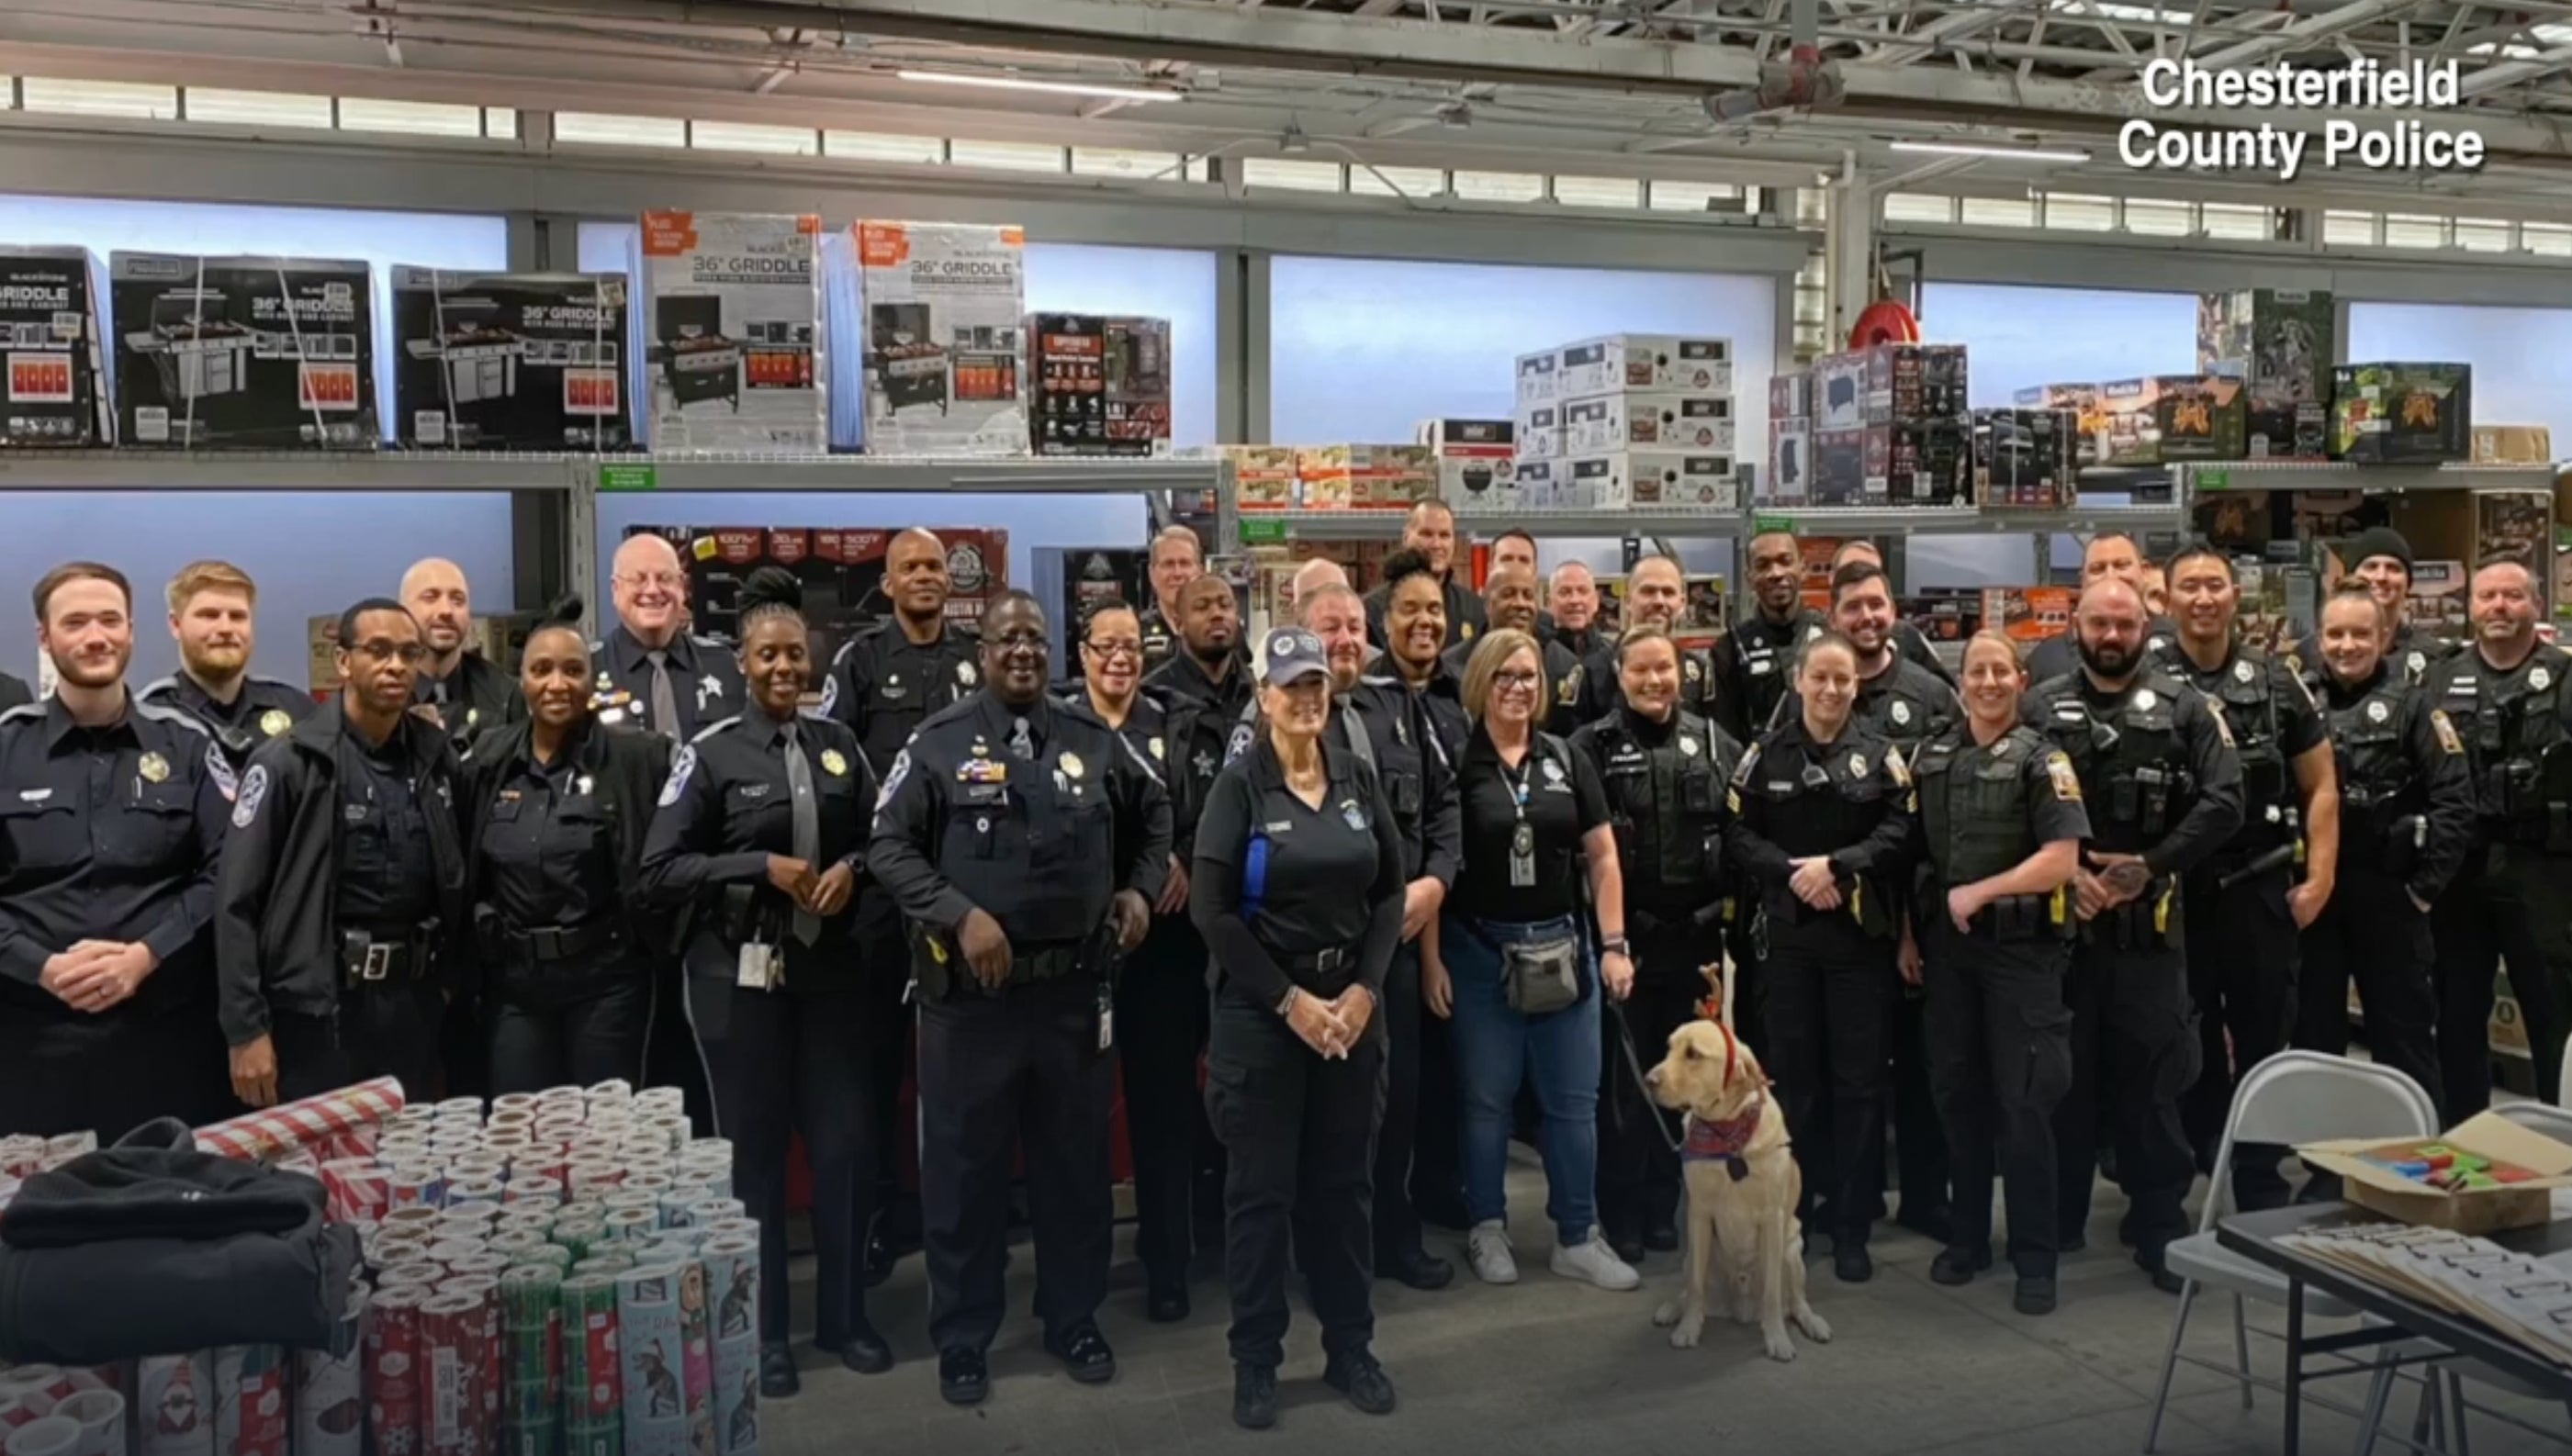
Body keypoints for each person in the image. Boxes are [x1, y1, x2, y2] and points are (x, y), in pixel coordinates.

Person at [869, 590, 1170, 1408]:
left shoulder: (1090, 739)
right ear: (983, 648)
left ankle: (1073, 1317)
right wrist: (958, 914)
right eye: (1009, 640)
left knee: (1074, 1171)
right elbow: (886, 847)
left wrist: (1140, 893)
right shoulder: (938, 744)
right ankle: (963, 1336)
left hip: (1075, 997)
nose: (1024, 653)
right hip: (971, 1008)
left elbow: (1156, 815)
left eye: (1036, 640)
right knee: (964, 1176)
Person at [641, 567, 882, 1394]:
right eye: (768, 657)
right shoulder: (707, 756)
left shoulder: (841, 747)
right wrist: (759, 865)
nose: (785, 669)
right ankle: (765, 1330)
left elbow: (887, 842)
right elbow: (660, 867)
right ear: (742, 664)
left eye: (796, 656)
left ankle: (846, 1319)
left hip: (830, 977)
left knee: (845, 1151)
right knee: (756, 1162)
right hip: (738, 984)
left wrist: (851, 867)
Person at [1193, 626, 1408, 1430]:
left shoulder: (1355, 776)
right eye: (1291, 686)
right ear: (1263, 696)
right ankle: (1256, 1361)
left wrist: (1362, 992)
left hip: (1349, 1014)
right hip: (1263, 1016)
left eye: (1316, 684)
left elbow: (1389, 894)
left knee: (1344, 1189)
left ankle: (1351, 1347)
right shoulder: (1238, 788)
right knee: (1260, 1197)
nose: (1308, 698)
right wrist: (1290, 1004)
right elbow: (1213, 916)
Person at [2022, 577, 2241, 1292]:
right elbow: (2006, 802)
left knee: (2153, 1087)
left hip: (2149, 934)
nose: (2110, 637)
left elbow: (2225, 801)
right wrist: (2069, 869)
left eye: (2123, 624)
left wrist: (2149, 866)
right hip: (2061, 931)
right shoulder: (2039, 707)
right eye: (2097, 624)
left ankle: (2157, 1228)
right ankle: (2053, 1227)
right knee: (2062, 1085)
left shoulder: (2187, 708)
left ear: (2145, 626)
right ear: (2074, 626)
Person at [1430, 627, 1638, 1293]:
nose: (1518, 688)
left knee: (1573, 1103)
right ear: (1480, 684)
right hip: (1478, 951)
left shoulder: (1566, 758)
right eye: (1504, 677)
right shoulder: (1456, 764)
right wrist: (1432, 961)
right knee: (1486, 1100)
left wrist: (1613, 945)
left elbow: (1602, 856)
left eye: (1528, 677)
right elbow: (1435, 866)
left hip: (1563, 950)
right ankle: (1486, 1228)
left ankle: (1577, 1234)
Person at [0, 562, 232, 1137]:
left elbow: (229, 872)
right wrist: (43, 967)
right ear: (44, 637)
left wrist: (146, 955)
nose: (95, 636)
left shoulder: (187, 744)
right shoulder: (5, 747)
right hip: (31, 1042)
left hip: (169, 1040)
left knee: (176, 1210)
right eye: (75, 622)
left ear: (131, 630)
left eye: (109, 620)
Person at [218, 596, 468, 1109]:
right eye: (378, 650)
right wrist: (245, 1029)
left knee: (408, 1168)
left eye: (408, 653)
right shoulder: (290, 762)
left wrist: (449, 982)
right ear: (344, 661)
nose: (396, 665)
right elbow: (236, 903)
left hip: (412, 1005)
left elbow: (458, 872)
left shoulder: (435, 757)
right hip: (318, 1013)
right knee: (321, 1172)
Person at [1728, 631, 1917, 1283]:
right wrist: (1789, 872)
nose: (1832, 690)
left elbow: (1902, 830)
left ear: (1855, 686)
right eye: (1820, 679)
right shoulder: (1764, 755)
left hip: (1857, 943)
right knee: (1795, 1085)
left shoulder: (1879, 755)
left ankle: (1852, 1224)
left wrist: (1838, 865)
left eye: (1843, 680)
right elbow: (1736, 830)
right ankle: (1795, 1212)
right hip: (1787, 944)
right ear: (1799, 682)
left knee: (1859, 1087)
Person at [1909, 632, 2086, 1316]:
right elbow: (1916, 855)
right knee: (1958, 1098)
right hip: (1949, 954)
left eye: (1998, 671)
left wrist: (1978, 894)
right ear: (1960, 685)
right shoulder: (1935, 756)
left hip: (2021, 959)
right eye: (1974, 671)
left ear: (2019, 681)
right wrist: (1909, 934)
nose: (1985, 682)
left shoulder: (2044, 760)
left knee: (2024, 1106)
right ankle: (1967, 1238)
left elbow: (2061, 859)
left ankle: (2033, 1258)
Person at [2155, 545, 2336, 1212]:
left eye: (2214, 586)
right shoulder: (2150, 682)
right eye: (2188, 588)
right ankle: (2177, 1185)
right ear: (2165, 599)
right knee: (2180, 1042)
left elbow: (2320, 786)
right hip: (2175, 894)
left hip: (2258, 889)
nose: (2202, 599)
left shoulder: (2275, 681)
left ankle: (2259, 1178)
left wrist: (2318, 879)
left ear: (2235, 596)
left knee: (2263, 1038)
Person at [821, 525, 981, 1282]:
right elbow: (832, 772)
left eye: (935, 566)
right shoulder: (859, 661)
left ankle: (970, 1210)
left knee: (968, 1070)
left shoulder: (978, 662)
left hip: (963, 897)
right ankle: (880, 1217)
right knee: (876, 1070)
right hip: (882, 900)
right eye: (909, 567)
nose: (924, 576)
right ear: (886, 584)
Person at [1298, 582, 1461, 1292]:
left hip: (1389, 947)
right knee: (1317, 1119)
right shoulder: (1282, 718)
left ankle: (1393, 1237)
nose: (1342, 640)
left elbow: (1441, 808)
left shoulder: (1397, 712)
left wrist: (1436, 881)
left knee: (1393, 1105)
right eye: (1327, 627)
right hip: (1308, 957)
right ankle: (1322, 1258)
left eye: (1352, 627)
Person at [1569, 626, 1740, 1266]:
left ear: (1681, 674)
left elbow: (1738, 833)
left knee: (1690, 1082)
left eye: (1663, 670)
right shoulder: (1589, 748)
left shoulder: (1714, 744)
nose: (1653, 681)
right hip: (1626, 945)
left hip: (1696, 939)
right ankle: (1623, 1212)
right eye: (1639, 671)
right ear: (1618, 676)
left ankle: (1667, 1201)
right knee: (1626, 1088)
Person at [1064, 601, 1212, 1323]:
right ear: (1082, 652)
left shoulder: (1176, 723)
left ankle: (1167, 1262)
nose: (1119, 658)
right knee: (1080, 1117)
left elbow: (1211, 805)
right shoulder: (1055, 724)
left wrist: (1179, 857)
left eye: (1131, 646)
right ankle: (1080, 1269)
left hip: (1165, 950)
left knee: (1164, 1114)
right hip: (1079, 954)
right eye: (1105, 646)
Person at [461, 598, 672, 1096]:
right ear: (522, 680)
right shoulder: (488, 760)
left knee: (604, 1132)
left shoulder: (638, 759)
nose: (557, 684)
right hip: (515, 983)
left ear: (591, 680)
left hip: (606, 979)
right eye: (542, 670)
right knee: (520, 1125)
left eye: (573, 670)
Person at [2297, 585, 2471, 1120]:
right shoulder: (2300, 704)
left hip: (2391, 898)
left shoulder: (2416, 706)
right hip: (2318, 899)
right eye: (2336, 634)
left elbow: (2455, 803)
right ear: (2319, 638)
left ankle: (2421, 1164)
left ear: (2384, 637)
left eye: (2360, 634)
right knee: (2315, 1042)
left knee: (2404, 1042)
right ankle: (2323, 1168)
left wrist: (2423, 893)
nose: (2347, 645)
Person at [1828, 558, 1960, 1245]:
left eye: (1876, 605)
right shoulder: (1820, 690)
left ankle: (1924, 1195)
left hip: (1921, 907)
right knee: (1850, 1067)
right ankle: (1850, 1201)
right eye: (1853, 608)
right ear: (1834, 617)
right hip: (1843, 910)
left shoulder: (1932, 695)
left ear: (1892, 609)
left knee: (1922, 1059)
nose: (1867, 619)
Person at [2423, 558, 2572, 1114]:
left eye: (2513, 596)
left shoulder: (2564, 674)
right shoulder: (2440, 677)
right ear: (2471, 607)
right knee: (2456, 1010)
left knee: (2552, 1010)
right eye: (2488, 597)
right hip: (2463, 870)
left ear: (2536, 604)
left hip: (2545, 871)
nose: (2500, 607)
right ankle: (2465, 1132)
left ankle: (2563, 1138)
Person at [1368, 548, 1469, 1233]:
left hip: (1465, 915)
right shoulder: (1366, 702)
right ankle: (1390, 1218)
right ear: (1385, 620)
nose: (1424, 621)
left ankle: (1440, 1191)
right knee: (1394, 1086)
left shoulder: (1465, 695)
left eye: (1434, 609)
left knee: (1452, 1078)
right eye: (1410, 609)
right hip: (1399, 925)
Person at [136, 560, 313, 772]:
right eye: (209, 615)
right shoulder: (144, 720)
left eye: (237, 616)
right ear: (176, 625)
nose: (226, 628)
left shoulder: (299, 712)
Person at [595, 533, 744, 742]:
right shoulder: (586, 668)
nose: (653, 590)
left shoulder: (722, 664)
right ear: (616, 589)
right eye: (639, 579)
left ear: (682, 586)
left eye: (664, 578)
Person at [1711, 531, 1828, 746]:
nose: (1776, 573)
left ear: (1803, 569)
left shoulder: (1832, 638)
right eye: (1762, 565)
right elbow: (1727, 736)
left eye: (1785, 561)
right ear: (1749, 578)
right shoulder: (1729, 649)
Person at [1574, 556, 1713, 724]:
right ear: (1627, 600)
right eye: (1648, 591)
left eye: (1668, 592)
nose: (1659, 601)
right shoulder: (1591, 672)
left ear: (1682, 603)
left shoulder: (1699, 673)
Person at [1447, 565, 1581, 736]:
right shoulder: (1452, 666)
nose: (1520, 604)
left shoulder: (1566, 665)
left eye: (1528, 595)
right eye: (1508, 594)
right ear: (1487, 603)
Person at [2025, 534, 2180, 682]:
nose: (2110, 575)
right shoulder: (2047, 658)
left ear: (2144, 571)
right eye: (2097, 568)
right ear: (2082, 579)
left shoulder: (2179, 642)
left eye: (2121, 565)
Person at [401, 557, 517, 751]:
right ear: (403, 611)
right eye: (430, 597)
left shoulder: (505, 694)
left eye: (458, 600)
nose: (446, 610)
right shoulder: (379, 697)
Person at [2315, 527, 2450, 685]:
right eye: (2371, 566)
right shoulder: (2312, 655)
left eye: (2393, 568)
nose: (2381, 577)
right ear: (2351, 576)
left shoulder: (2435, 659)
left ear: (2409, 583)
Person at [1829, 540, 1957, 689]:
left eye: (1871, 570)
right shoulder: (1812, 638)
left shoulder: (1907, 636)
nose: (1861, 578)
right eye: (1850, 570)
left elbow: (1945, 691)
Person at [1363, 500, 1484, 653]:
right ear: (1406, 538)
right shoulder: (1370, 611)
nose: (1436, 544)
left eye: (1444, 535)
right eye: (1426, 534)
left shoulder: (1476, 610)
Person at [1145, 572, 1251, 720]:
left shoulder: (1260, 691)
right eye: (1202, 607)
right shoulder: (1155, 695)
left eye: (1225, 605)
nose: (1217, 614)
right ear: (1178, 623)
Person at [1138, 524, 1205, 670]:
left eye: (1185, 563)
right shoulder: (1134, 632)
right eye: (1168, 564)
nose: (1177, 573)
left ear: (1199, 571)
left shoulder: (1220, 628)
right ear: (1152, 574)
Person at [1548, 563, 1604, 662]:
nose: (1575, 600)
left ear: (1596, 601)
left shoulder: (1614, 655)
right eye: (1564, 592)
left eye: (1583, 591)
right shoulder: (1537, 655)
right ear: (1550, 602)